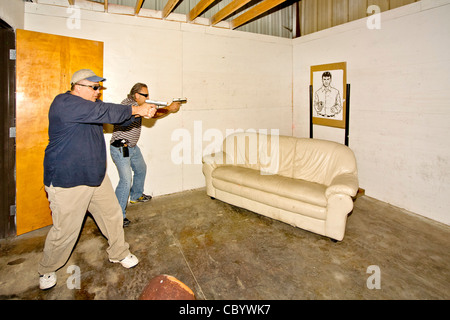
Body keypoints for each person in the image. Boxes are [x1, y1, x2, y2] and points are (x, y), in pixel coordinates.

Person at [38, 69, 157, 290]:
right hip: (69, 180)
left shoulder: (89, 109)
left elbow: (105, 112)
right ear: (77, 87)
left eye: (99, 88)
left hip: (95, 176)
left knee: (112, 215)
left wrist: (138, 112)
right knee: (65, 230)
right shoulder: (64, 103)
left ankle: (118, 253)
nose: (97, 92)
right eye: (94, 88)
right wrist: (137, 109)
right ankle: (47, 269)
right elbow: (106, 111)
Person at [110, 83, 181, 227]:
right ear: (136, 95)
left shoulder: (138, 105)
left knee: (141, 169)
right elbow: (151, 114)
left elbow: (153, 113)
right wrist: (169, 108)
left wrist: (167, 108)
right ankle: (118, 216)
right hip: (120, 147)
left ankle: (136, 196)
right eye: (145, 95)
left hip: (132, 147)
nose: (148, 98)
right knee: (125, 180)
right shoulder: (128, 105)